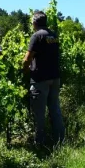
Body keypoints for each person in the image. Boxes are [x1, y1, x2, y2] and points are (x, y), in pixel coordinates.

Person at [22, 11, 65, 146]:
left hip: (40, 79)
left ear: (34, 22)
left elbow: (27, 59)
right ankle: (60, 140)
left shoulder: (37, 36)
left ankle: (40, 144)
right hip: (55, 77)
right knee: (55, 109)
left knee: (39, 114)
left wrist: (24, 71)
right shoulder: (53, 35)